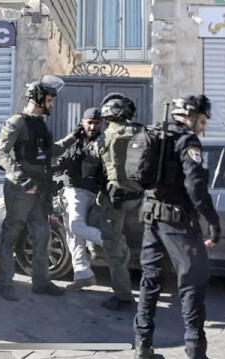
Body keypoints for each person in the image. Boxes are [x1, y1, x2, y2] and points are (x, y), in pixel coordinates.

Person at [133, 94, 222, 359]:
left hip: (151, 220)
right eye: (203, 121)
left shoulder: (158, 135)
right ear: (191, 116)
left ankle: (142, 347)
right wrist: (213, 222)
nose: (203, 127)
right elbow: (195, 186)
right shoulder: (187, 141)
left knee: (150, 282)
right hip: (177, 223)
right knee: (193, 282)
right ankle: (196, 352)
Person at [0, 75, 81, 301]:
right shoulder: (16, 122)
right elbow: (1, 154)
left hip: (40, 189)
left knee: (42, 235)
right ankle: (5, 284)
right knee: (11, 235)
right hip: (21, 189)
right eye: (50, 100)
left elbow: (51, 151)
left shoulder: (40, 125)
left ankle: (41, 283)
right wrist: (22, 179)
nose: (52, 104)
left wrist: (75, 136)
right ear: (38, 98)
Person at [84, 93, 142, 310]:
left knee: (111, 245)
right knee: (116, 241)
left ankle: (123, 296)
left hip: (115, 198)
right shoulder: (141, 132)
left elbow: (88, 168)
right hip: (137, 196)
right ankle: (122, 250)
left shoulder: (104, 138)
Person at [57, 107, 104, 291]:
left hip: (85, 192)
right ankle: (83, 274)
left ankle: (107, 240)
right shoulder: (75, 139)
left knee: (76, 227)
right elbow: (61, 158)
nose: (92, 126)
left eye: (96, 123)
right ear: (82, 122)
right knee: (72, 235)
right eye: (89, 122)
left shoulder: (102, 142)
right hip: (71, 189)